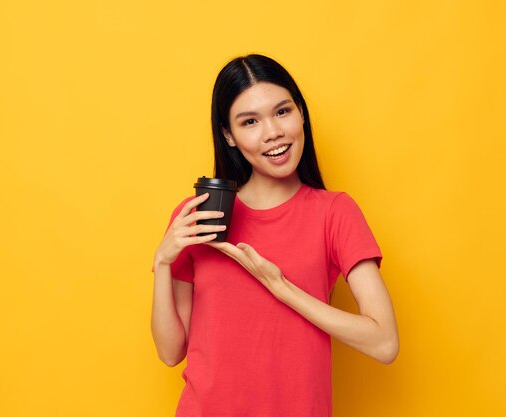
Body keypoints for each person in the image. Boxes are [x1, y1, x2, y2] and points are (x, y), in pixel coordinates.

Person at [151, 54, 399, 417]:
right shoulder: (200, 215)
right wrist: (162, 260)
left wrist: (281, 287)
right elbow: (170, 352)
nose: (273, 133)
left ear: (301, 113)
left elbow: (384, 342)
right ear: (228, 135)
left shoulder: (334, 212)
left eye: (282, 112)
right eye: (249, 121)